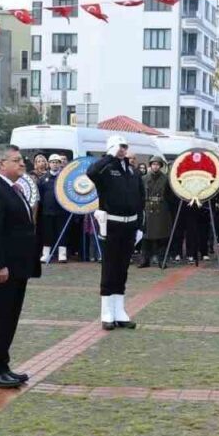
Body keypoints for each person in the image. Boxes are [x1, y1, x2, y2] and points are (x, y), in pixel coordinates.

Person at [0, 144, 41, 387]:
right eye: (16, 160)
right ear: (1, 163)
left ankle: (3, 365)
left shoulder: (13, 189)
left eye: (21, 159)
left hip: (17, 266)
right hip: (2, 269)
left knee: (9, 318)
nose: (22, 163)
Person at [87, 135, 144, 329]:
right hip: (111, 224)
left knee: (122, 269)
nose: (123, 150)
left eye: (125, 146)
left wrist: (140, 227)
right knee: (110, 268)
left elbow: (140, 201)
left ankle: (120, 310)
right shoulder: (106, 169)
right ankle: (107, 312)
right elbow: (91, 172)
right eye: (120, 146)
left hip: (130, 225)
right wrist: (109, 156)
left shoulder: (132, 171)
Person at [138, 156, 172, 268]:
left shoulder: (166, 179)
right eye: (153, 164)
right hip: (148, 208)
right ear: (150, 165)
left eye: (158, 164)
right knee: (146, 237)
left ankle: (162, 260)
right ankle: (144, 260)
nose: (155, 166)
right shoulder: (144, 178)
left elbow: (170, 196)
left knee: (161, 237)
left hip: (161, 209)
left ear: (160, 166)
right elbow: (140, 194)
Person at [37, 154, 70, 263]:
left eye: (57, 162)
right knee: (47, 233)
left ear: (60, 164)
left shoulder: (64, 178)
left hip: (62, 211)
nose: (55, 164)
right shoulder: (42, 179)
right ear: (49, 164)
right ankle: (46, 254)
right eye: (53, 162)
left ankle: (62, 254)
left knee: (62, 232)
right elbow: (40, 195)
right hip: (47, 211)